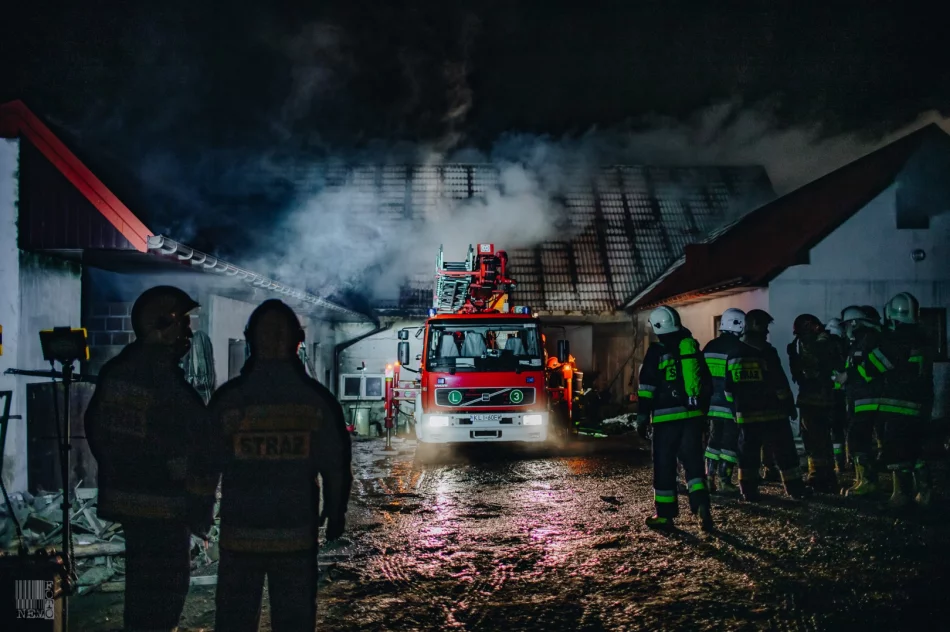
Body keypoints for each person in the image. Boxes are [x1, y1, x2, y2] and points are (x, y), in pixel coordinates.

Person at [210, 299, 353, 631]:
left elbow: (204, 459)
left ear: (249, 340)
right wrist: (335, 513)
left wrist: (198, 510)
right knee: (294, 621)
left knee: (233, 620)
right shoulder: (315, 399)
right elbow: (336, 463)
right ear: (297, 341)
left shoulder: (230, 399)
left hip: (239, 536)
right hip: (294, 539)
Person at [84, 286, 215, 631]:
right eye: (183, 324)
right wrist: (192, 491)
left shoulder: (122, 370)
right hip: (163, 505)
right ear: (160, 325)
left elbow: (99, 434)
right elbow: (189, 440)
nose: (188, 333)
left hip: (135, 504)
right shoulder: (157, 378)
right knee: (166, 590)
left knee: (143, 591)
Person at [635, 305, 713, 531]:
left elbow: (647, 386)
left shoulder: (656, 351)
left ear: (657, 327)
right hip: (693, 417)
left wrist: (642, 416)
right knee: (694, 463)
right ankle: (701, 507)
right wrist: (702, 412)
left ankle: (665, 515)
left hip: (665, 420)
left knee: (665, 465)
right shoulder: (691, 348)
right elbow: (705, 382)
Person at [855, 293, 934, 507]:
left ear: (891, 315)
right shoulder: (922, 337)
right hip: (920, 405)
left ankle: (900, 496)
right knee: (915, 450)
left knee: (897, 451)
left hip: (898, 406)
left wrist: (858, 362)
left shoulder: (897, 338)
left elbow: (870, 369)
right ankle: (925, 493)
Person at [725, 309, 807, 501]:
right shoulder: (767, 352)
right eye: (763, 325)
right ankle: (795, 489)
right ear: (753, 324)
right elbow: (779, 382)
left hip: (746, 414)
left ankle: (749, 491)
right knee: (784, 451)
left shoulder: (734, 353)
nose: (766, 331)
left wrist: (735, 411)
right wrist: (788, 405)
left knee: (748, 453)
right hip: (773, 413)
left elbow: (729, 389)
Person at [787, 314, 840, 492]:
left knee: (818, 440)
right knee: (813, 439)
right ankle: (821, 474)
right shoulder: (809, 343)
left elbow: (817, 363)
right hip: (812, 399)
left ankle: (821, 476)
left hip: (817, 399)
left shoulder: (822, 343)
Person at [839, 305, 885, 497]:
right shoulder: (859, 341)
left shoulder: (868, 339)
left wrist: (847, 375)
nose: (846, 328)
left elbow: (872, 369)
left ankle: (868, 481)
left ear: (855, 322)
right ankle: (863, 480)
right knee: (858, 439)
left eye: (848, 324)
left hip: (868, 398)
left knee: (859, 439)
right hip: (859, 398)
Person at [702, 308, 746, 493]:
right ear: (740, 325)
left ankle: (708, 479)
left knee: (713, 442)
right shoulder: (739, 349)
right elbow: (737, 382)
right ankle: (725, 481)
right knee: (729, 444)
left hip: (711, 405)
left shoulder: (710, 346)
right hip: (730, 406)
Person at [824, 318, 850, 472]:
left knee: (834, 429)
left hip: (830, 395)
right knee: (842, 428)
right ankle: (844, 461)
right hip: (841, 394)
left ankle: (837, 462)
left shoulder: (825, 345)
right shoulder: (840, 345)